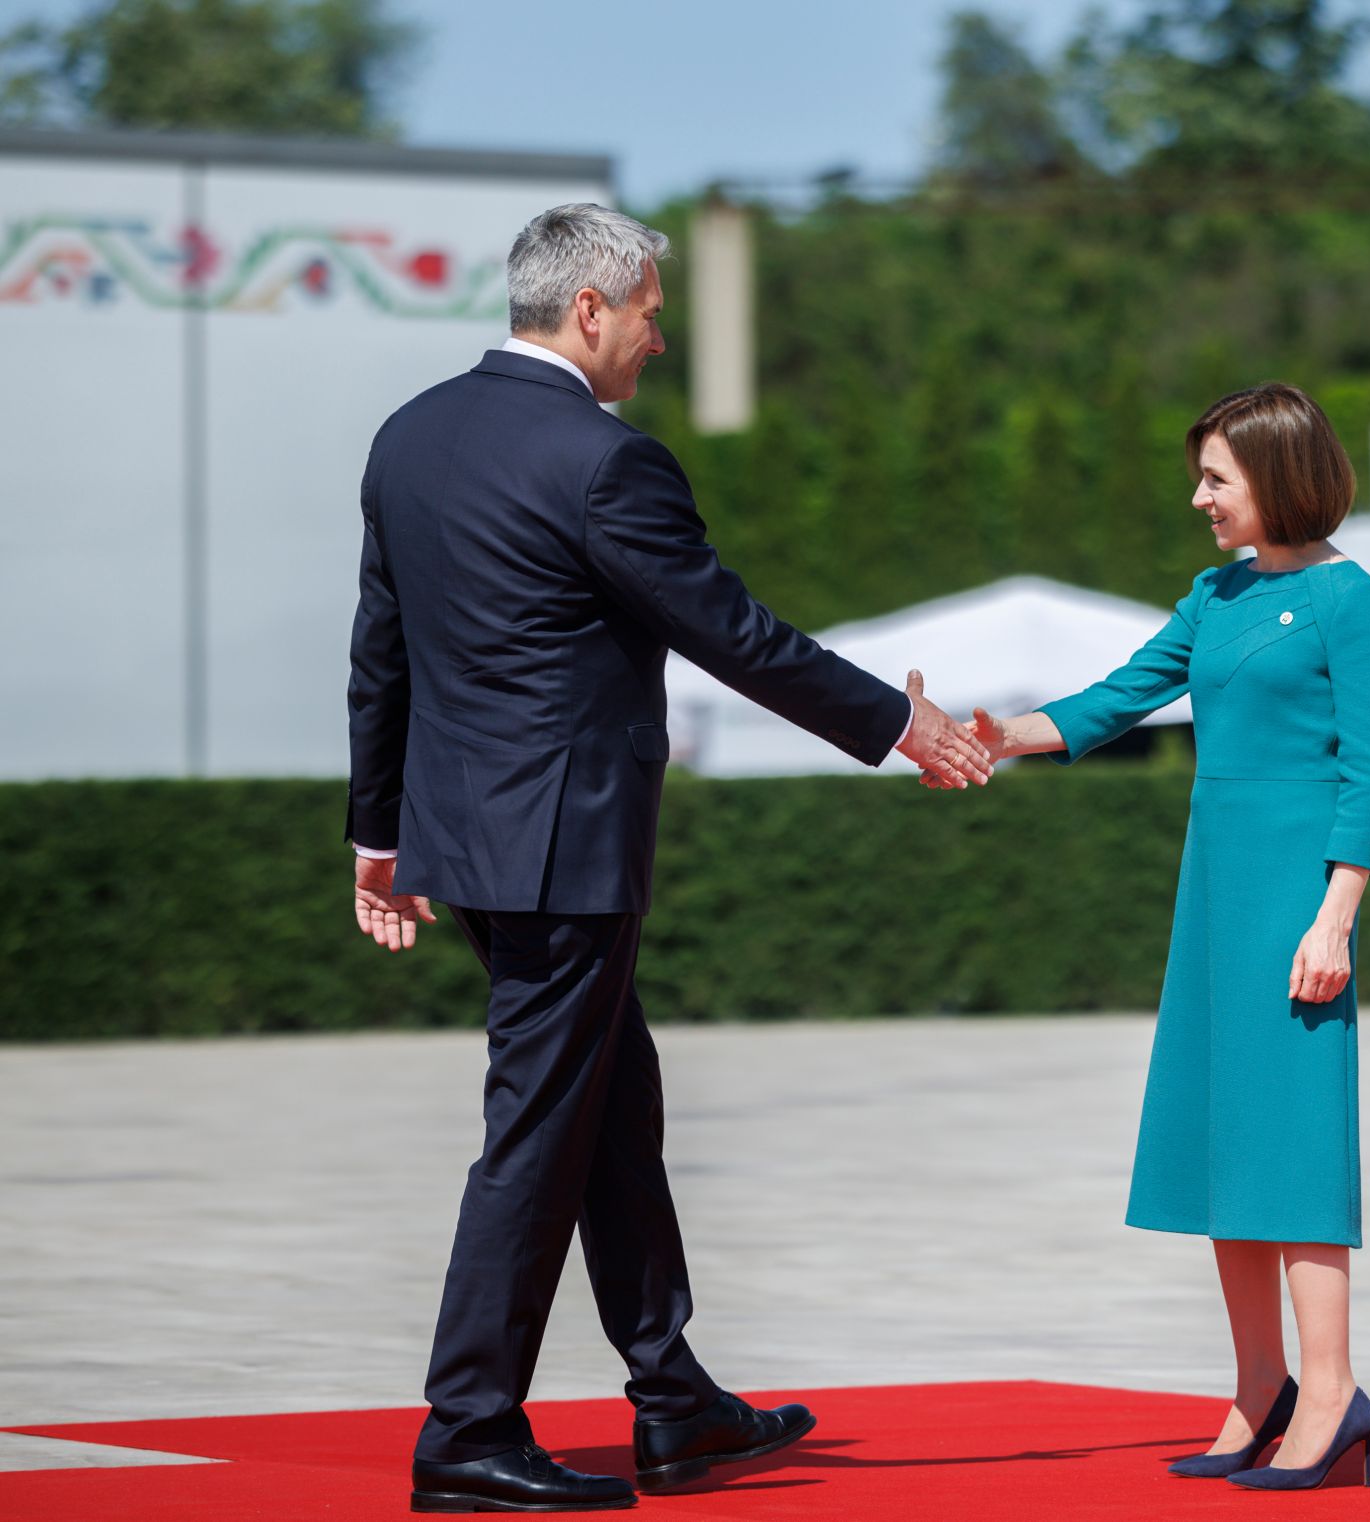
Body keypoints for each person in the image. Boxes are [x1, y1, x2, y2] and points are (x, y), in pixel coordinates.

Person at [346, 203, 992, 1513]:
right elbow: (731, 631)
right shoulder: (604, 460)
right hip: (567, 847)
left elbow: (380, 649)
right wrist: (899, 721)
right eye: (649, 307)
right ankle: (467, 1429)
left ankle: (675, 1399)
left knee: (610, 1104)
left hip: (469, 840)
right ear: (591, 309)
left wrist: (377, 828)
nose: (659, 331)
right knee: (538, 1130)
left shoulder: (410, 436)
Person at [941, 383, 1370, 1492]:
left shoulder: (1355, 603)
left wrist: (1334, 915)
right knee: (1220, 1144)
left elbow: (1366, 772)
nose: (1197, 497)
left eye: (1215, 479)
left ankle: (1330, 1391)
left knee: (1291, 1143)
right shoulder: (1214, 595)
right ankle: (1258, 1387)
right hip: (1214, 895)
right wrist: (993, 739)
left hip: (1295, 897)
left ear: (1279, 478)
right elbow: (1113, 699)